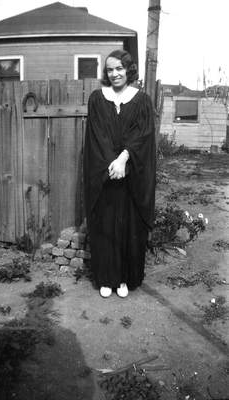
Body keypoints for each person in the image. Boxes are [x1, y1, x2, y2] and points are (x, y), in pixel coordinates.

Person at [84, 50, 156, 298]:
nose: (114, 74)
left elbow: (143, 136)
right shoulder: (97, 98)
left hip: (132, 171)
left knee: (128, 226)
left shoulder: (142, 100)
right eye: (110, 69)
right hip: (105, 172)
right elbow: (96, 136)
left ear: (128, 70)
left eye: (119, 69)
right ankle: (106, 278)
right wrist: (111, 164)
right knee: (105, 224)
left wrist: (124, 158)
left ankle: (123, 279)